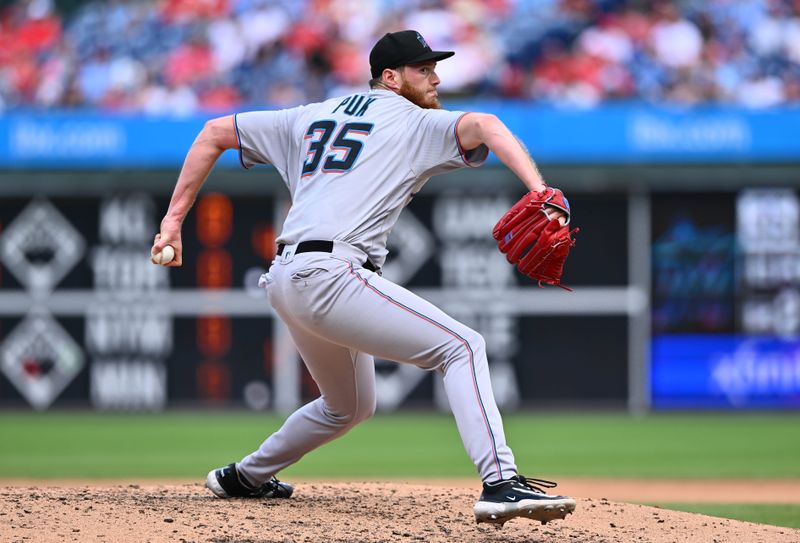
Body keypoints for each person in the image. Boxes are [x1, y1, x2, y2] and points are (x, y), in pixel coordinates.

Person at [152, 30, 576, 526]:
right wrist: (541, 190)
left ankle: (242, 477)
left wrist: (173, 222)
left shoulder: (307, 115)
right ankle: (501, 483)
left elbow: (213, 133)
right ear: (391, 78)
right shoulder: (414, 121)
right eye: (423, 69)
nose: (435, 77)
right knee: (461, 347)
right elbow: (486, 122)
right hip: (333, 274)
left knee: (346, 406)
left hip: (288, 278)